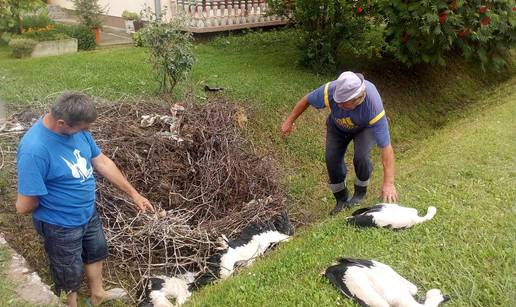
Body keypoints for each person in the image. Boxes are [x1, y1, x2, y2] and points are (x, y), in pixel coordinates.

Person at [15, 92, 155, 306]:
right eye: (82, 127)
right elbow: (25, 205)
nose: (86, 132)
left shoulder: (77, 132)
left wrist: (133, 193)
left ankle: (97, 294)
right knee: (67, 271)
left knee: (95, 251)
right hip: (59, 223)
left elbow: (102, 162)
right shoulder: (34, 150)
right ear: (62, 123)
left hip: (87, 212)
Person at [281, 72, 397, 215]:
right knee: (332, 159)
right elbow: (307, 100)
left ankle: (359, 193)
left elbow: (386, 148)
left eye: (343, 103)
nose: (338, 104)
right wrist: (289, 121)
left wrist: (388, 183)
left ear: (356, 99)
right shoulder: (330, 90)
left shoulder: (373, 108)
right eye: (337, 101)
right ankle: (341, 199)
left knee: (361, 158)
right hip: (337, 127)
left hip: (364, 129)